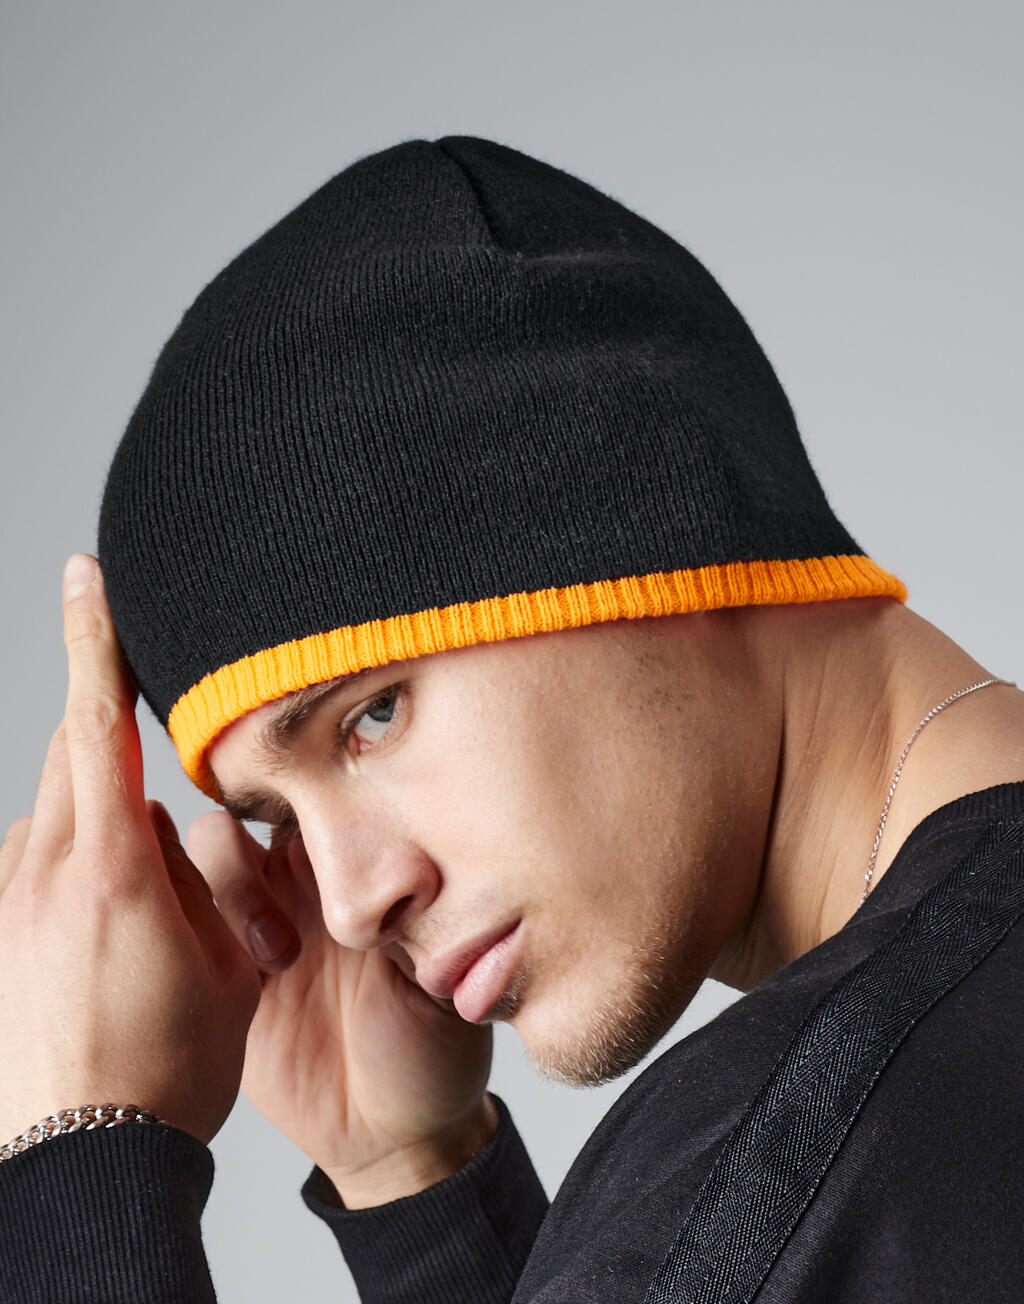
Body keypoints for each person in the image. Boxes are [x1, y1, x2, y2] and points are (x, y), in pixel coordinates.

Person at [1, 135, 1022, 1303]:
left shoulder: (782, 1179)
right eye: (277, 819)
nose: (349, 904)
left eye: (372, 715)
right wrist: (413, 1177)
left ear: (651, 518)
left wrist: (78, 1174)